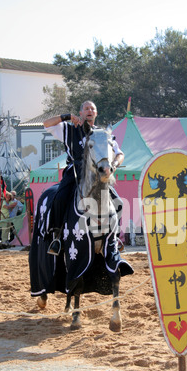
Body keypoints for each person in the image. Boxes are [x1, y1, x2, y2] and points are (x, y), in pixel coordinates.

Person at [43, 100, 124, 255]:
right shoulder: (69, 129)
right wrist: (66, 116)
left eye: (92, 108)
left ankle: (115, 237)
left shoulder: (102, 133)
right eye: (86, 108)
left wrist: (113, 165)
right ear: (80, 113)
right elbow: (46, 124)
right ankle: (58, 236)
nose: (89, 111)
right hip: (75, 171)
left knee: (118, 202)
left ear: (96, 113)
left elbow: (120, 153)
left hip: (98, 176)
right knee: (60, 198)